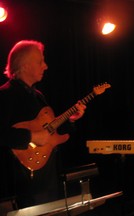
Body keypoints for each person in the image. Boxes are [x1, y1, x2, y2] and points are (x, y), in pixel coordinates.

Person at [0, 40, 86, 209]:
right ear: (24, 65)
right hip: (22, 183)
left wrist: (70, 119)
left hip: (47, 178)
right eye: (40, 61)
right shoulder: (5, 94)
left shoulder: (38, 95)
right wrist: (31, 136)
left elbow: (50, 132)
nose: (45, 66)